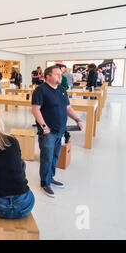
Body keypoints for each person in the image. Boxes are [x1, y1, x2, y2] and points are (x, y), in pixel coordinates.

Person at [31, 66, 84, 198]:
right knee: (46, 158)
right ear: (47, 76)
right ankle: (45, 182)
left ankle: (51, 177)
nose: (61, 77)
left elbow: (67, 107)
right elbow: (35, 110)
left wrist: (77, 119)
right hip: (48, 132)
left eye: (60, 74)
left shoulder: (61, 90)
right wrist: (44, 127)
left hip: (61, 130)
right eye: (57, 74)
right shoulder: (40, 90)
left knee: (55, 157)